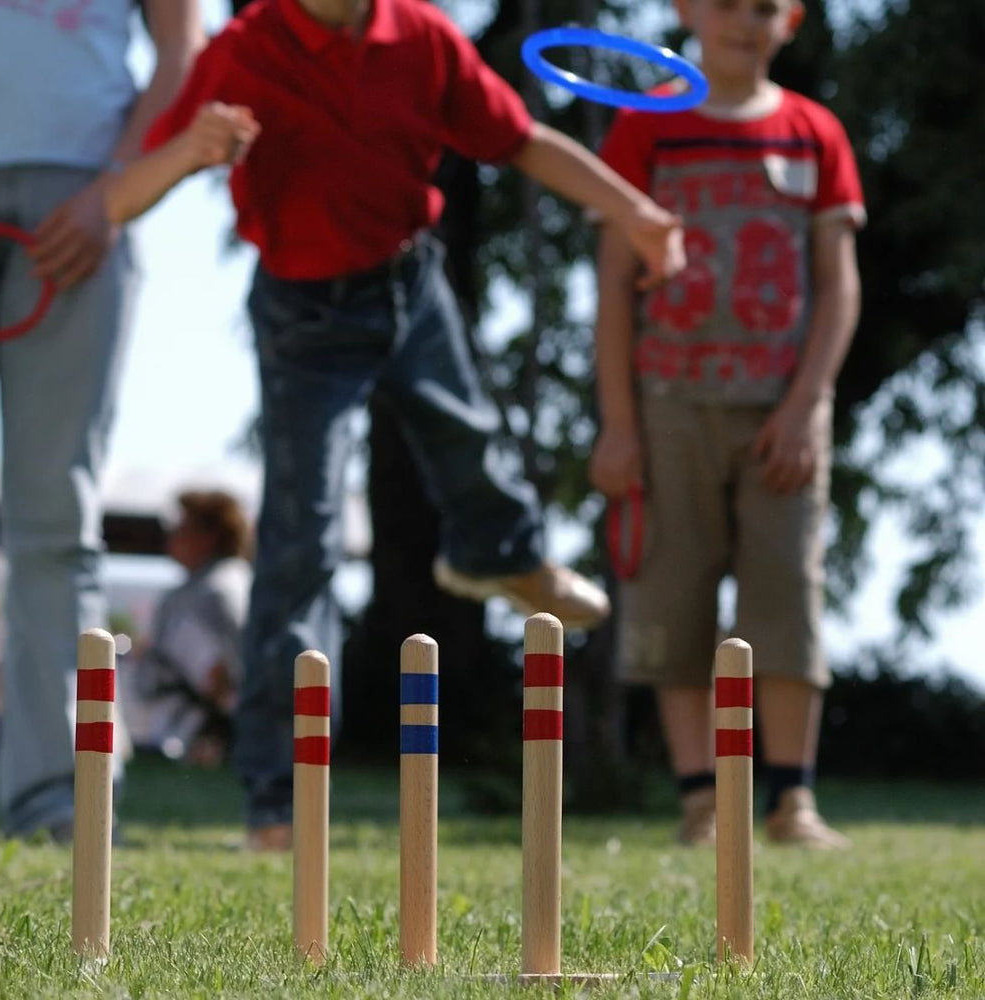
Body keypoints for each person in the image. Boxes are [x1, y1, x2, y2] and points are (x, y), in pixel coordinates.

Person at [103, 0, 688, 850]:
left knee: (467, 434)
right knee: (298, 543)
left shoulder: (421, 37)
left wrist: (632, 210)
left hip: (410, 283)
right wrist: (190, 151)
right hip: (304, 313)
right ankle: (278, 799)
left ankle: (506, 555)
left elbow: (522, 141)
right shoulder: (243, 51)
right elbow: (126, 194)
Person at [590, 0, 864, 848]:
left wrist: (809, 406)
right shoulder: (648, 130)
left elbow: (839, 286)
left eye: (764, 7)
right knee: (673, 594)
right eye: (726, 4)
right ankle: (703, 800)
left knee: (785, 592)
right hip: (668, 405)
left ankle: (791, 801)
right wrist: (618, 423)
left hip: (780, 411)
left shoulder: (814, 132)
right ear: (686, 11)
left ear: (792, 19)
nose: (745, 21)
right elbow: (609, 288)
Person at [0, 1, 204, 841]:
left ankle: (55, 804)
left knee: (53, 518)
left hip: (78, 204)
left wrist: (113, 189)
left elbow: (184, 49)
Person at [120, 490, 253, 767]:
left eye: (182, 528)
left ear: (209, 536)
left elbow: (220, 677)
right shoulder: (232, 580)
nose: (172, 537)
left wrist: (216, 737)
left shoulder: (213, 591)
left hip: (196, 736)